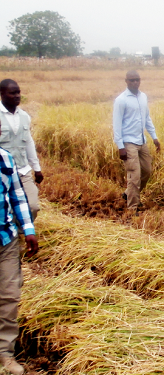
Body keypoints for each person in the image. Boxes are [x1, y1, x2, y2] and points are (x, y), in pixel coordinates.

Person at [0, 129, 39, 375]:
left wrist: (28, 229)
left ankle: (5, 354)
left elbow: (16, 195)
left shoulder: (5, 158)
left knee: (10, 296)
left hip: (5, 239)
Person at [113, 71, 162, 214]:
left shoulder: (143, 97)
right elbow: (116, 124)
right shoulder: (121, 100)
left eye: (137, 80)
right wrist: (120, 147)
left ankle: (128, 193)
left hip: (141, 141)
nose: (135, 82)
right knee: (134, 175)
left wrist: (154, 137)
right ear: (126, 81)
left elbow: (147, 118)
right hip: (128, 142)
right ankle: (133, 208)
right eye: (132, 80)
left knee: (147, 171)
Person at [0, 80, 43, 220]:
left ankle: (22, 230)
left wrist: (36, 168)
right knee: (6, 207)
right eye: (12, 93)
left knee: (33, 206)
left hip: (22, 170)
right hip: (3, 173)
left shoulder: (24, 116)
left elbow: (29, 142)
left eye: (18, 92)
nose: (17, 95)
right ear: (2, 94)